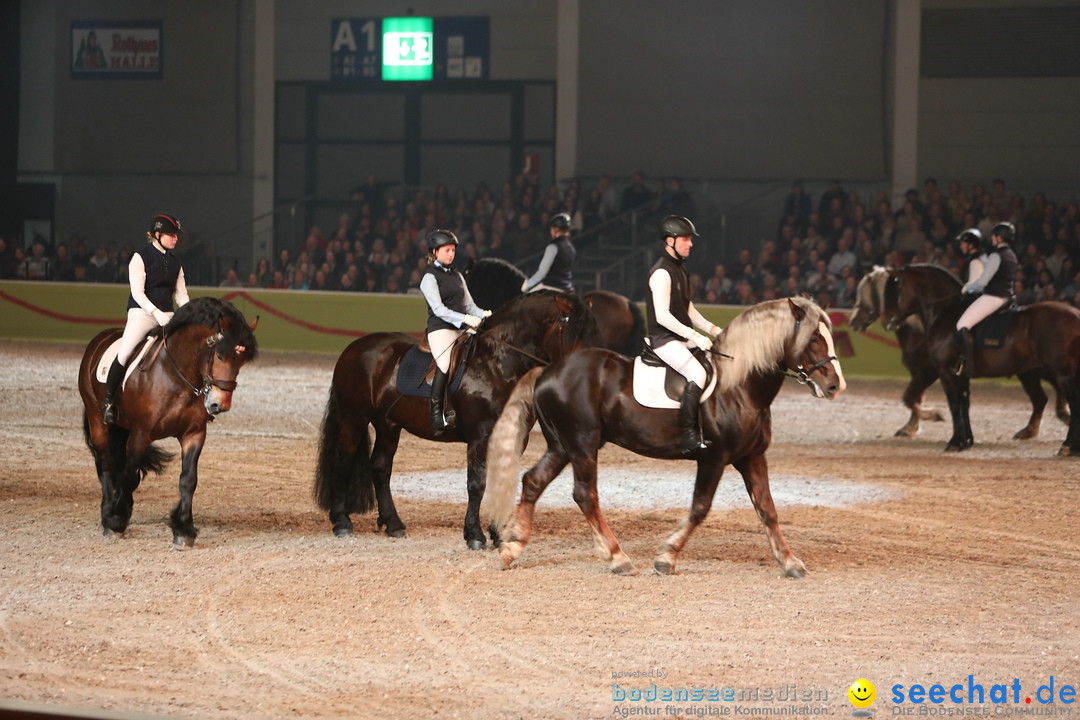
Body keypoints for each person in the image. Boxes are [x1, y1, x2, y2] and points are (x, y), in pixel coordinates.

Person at [101, 214, 191, 424]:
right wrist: (155, 313)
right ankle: (108, 403)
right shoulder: (140, 257)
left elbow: (180, 294)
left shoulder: (176, 262)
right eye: (171, 235)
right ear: (157, 235)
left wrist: (188, 315)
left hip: (167, 315)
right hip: (142, 313)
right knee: (125, 352)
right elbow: (137, 293)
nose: (175, 238)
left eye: (176, 235)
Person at [645, 215, 722, 456]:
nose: (690, 244)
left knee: (713, 362)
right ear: (670, 241)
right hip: (663, 340)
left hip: (679, 338)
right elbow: (662, 316)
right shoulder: (661, 273)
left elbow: (687, 308)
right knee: (697, 373)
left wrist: (711, 329)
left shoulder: (680, 269)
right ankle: (688, 435)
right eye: (686, 240)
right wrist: (693, 335)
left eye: (690, 240)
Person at [419, 229, 490, 432]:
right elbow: (439, 310)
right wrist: (465, 319)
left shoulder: (458, 275)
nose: (451, 254)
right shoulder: (429, 278)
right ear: (434, 251)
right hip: (441, 329)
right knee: (444, 363)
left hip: (461, 328)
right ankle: (436, 414)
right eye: (447, 250)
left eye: (453, 250)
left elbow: (470, 305)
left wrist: (484, 314)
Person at [953, 222, 1019, 377]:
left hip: (994, 296)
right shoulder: (1011, 255)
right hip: (1008, 297)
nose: (991, 239)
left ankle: (969, 365)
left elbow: (982, 282)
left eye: (993, 236)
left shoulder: (996, 255)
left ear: (999, 237)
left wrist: (967, 288)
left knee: (962, 325)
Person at [522, 212, 575, 293]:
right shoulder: (571, 248)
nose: (550, 232)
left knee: (524, 300)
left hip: (552, 286)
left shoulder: (553, 247)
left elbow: (542, 273)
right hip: (568, 288)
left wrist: (526, 285)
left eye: (551, 229)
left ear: (556, 229)